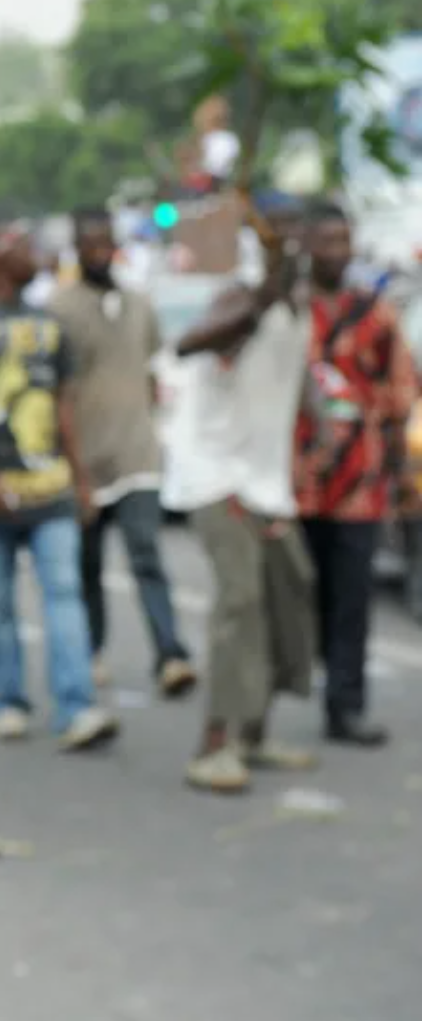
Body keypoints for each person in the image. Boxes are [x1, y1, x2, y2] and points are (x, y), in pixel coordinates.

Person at [0, 220, 120, 751]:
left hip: (52, 488)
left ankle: (77, 705)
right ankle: (10, 702)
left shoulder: (50, 324)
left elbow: (65, 406)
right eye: (23, 246)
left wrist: (80, 477)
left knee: (64, 594)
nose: (35, 254)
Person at [164, 209, 318, 793]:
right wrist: (255, 304)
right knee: (241, 601)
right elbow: (187, 344)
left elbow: (294, 375)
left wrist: (318, 428)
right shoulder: (239, 299)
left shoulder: (297, 308)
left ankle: (253, 733)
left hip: (267, 483)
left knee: (290, 595)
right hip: (217, 479)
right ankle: (212, 745)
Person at [51, 207, 195, 697]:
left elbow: (153, 372)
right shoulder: (59, 308)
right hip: (86, 460)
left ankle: (171, 654)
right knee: (88, 566)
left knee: (147, 556)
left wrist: (149, 425)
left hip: (137, 455)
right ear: (75, 248)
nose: (98, 251)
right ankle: (92, 652)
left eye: (104, 243)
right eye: (87, 243)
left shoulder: (140, 303)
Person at [294, 200, 417, 747]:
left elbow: (398, 396)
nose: (336, 253)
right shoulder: (285, 311)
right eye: (326, 242)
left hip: (359, 487)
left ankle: (345, 706)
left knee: (353, 599)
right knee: (308, 592)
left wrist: (397, 476)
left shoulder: (376, 313)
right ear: (305, 246)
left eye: (344, 241)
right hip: (295, 481)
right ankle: (311, 673)